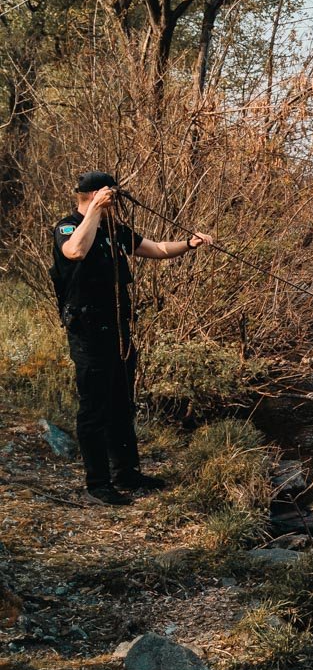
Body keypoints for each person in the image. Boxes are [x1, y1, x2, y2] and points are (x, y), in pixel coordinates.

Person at [50, 171, 213, 506]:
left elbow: (155, 249)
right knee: (93, 409)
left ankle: (127, 472)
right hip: (88, 333)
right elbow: (75, 251)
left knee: (122, 405)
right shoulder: (68, 226)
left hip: (120, 332)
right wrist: (95, 209)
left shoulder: (116, 231)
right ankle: (98, 483)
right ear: (96, 195)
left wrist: (189, 244)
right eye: (112, 197)